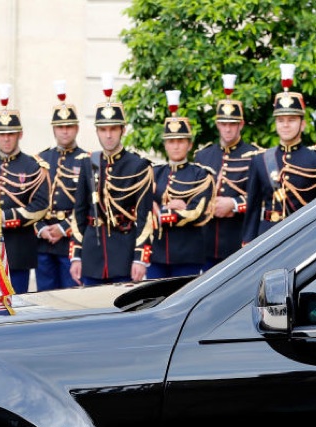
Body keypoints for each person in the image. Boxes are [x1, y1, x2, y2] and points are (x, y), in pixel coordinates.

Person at [69, 76, 154, 286]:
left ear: (122, 130)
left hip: (125, 253)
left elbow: (145, 216)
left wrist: (140, 258)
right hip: (92, 254)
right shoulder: (89, 163)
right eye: (103, 129)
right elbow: (79, 212)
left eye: (113, 129)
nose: (108, 135)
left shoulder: (138, 165)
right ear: (97, 131)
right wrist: (76, 255)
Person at [242, 64, 316, 245]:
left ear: (302, 124)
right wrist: (247, 242)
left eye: (291, 120)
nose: (285, 125)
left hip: (303, 237)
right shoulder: (260, 160)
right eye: (281, 120)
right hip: (266, 235)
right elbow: (253, 208)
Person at [0, 85, 51, 293]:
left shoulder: (33, 166)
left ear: (20, 134)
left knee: (16, 305)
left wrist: (5, 216)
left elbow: (41, 205)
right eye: (2, 134)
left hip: (18, 251)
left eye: (11, 133)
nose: (6, 138)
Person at [142, 91, 215, 281]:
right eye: (171, 141)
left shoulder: (201, 174)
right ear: (165, 145)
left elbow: (197, 212)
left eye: (180, 141)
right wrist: (169, 208)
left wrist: (162, 213)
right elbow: (143, 206)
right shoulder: (154, 172)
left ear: (189, 145)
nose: (176, 146)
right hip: (157, 254)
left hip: (188, 254)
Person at [194, 74, 262, 266]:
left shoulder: (255, 156)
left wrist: (234, 204)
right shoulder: (203, 156)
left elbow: (262, 199)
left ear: (241, 124)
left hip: (238, 240)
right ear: (217, 124)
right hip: (206, 243)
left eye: (233, 124)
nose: (228, 129)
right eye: (224, 124)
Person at [34, 81, 87, 291]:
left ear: (77, 129)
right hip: (43, 240)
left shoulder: (86, 160)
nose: (65, 131)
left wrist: (64, 228)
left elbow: (87, 205)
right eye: (60, 127)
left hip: (70, 242)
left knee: (70, 298)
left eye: (69, 127)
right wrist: (40, 228)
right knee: (44, 297)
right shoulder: (41, 160)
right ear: (54, 129)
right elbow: (30, 200)